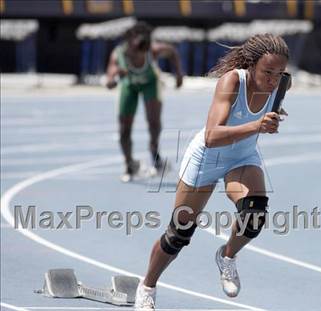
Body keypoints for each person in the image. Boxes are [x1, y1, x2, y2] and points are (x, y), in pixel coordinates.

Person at [135, 33, 290, 310]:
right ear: (252, 65)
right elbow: (211, 135)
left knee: (254, 214)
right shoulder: (232, 81)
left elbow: (267, 111)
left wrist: (273, 117)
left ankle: (227, 256)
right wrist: (257, 125)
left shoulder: (280, 86)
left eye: (279, 73)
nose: (273, 80)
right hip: (207, 158)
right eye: (267, 72)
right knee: (178, 235)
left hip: (242, 156)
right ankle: (147, 286)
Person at [106, 21, 184, 182]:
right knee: (124, 129)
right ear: (129, 45)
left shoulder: (153, 50)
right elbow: (109, 81)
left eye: (143, 52)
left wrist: (179, 74)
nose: (139, 56)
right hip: (130, 86)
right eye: (136, 52)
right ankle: (129, 164)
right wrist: (114, 80)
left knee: (153, 122)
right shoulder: (118, 55)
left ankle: (155, 156)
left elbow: (172, 52)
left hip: (150, 84)